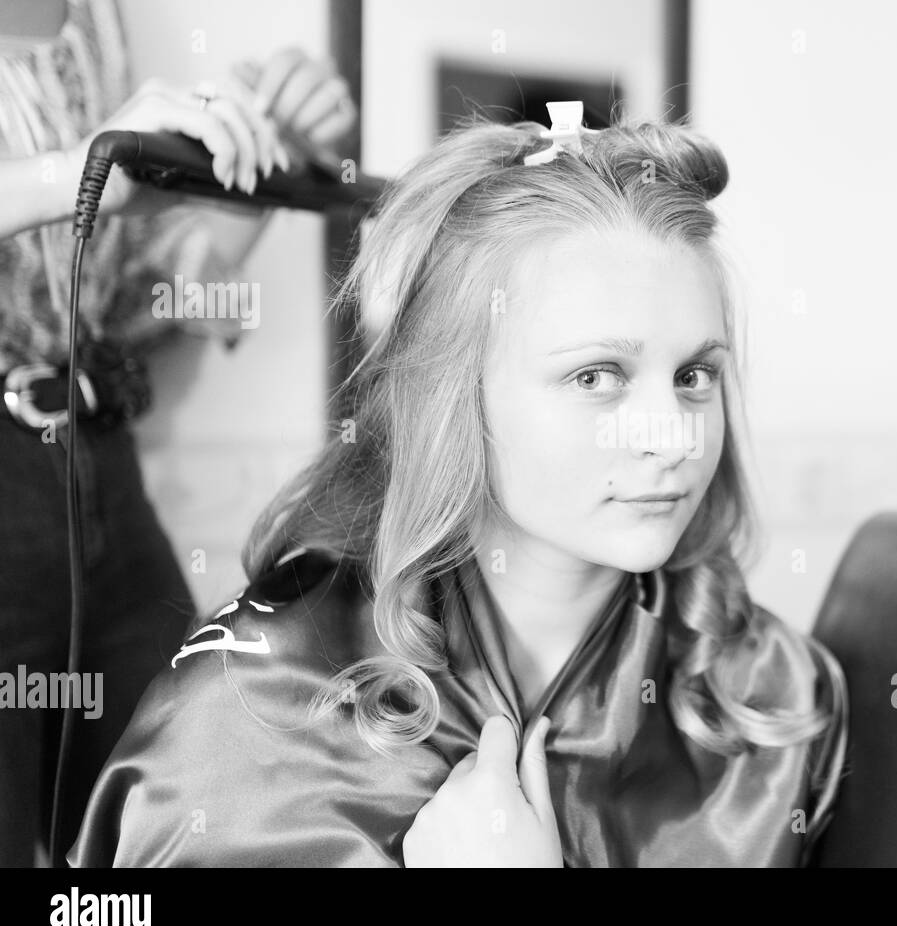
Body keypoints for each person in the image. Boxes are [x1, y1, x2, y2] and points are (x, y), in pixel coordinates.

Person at [67, 111, 850, 867]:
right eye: (596, 376)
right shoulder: (255, 713)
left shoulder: (769, 705)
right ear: (451, 394)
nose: (673, 433)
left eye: (694, 376)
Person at [0, 0, 356, 867]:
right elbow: (78, 194)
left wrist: (260, 162)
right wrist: (74, 171)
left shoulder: (97, 20)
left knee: (184, 804)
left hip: (98, 465)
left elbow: (141, 295)